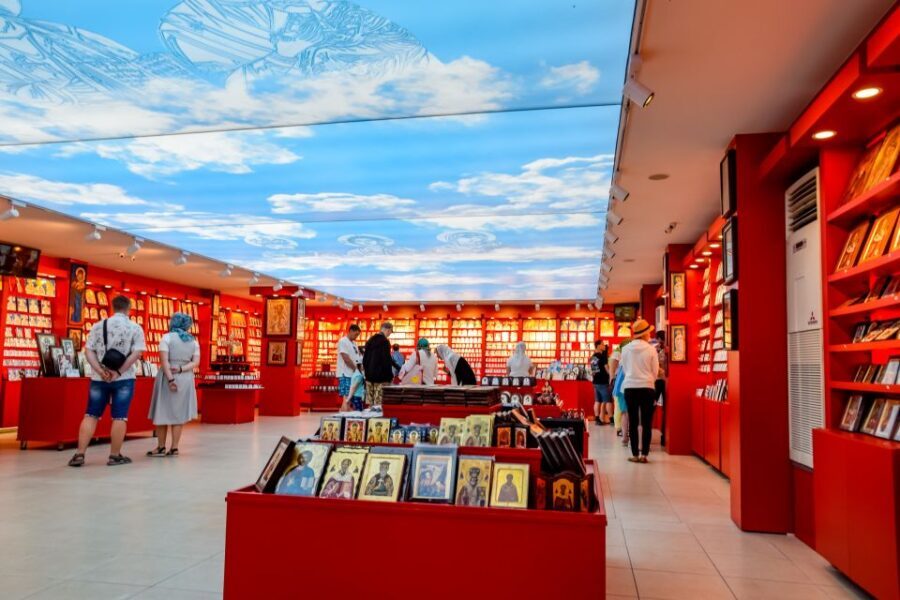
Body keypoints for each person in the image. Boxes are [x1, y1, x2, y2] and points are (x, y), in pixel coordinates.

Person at [68, 296, 146, 467]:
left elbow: (89, 352)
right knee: (120, 416)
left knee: (91, 414)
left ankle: (80, 454)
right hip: (124, 378)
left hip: (99, 378)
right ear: (129, 308)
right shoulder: (135, 328)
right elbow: (137, 353)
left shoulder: (98, 326)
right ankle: (114, 455)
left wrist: (100, 371)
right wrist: (118, 372)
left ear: (112, 307)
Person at [146, 312, 200, 457]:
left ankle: (161, 446)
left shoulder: (167, 337)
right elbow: (195, 362)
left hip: (167, 376)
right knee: (179, 414)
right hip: (186, 378)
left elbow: (164, 362)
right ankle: (174, 447)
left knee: (162, 411)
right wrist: (182, 369)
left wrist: (170, 379)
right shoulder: (193, 341)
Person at [620, 319, 660, 463]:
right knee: (647, 422)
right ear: (645, 334)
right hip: (647, 387)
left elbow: (624, 369)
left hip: (630, 387)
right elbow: (655, 371)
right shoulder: (651, 350)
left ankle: (635, 454)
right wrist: (648, 379)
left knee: (633, 420)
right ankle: (644, 455)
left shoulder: (625, 349)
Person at [362, 322, 394, 406]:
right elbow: (386, 360)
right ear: (388, 330)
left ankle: (369, 418)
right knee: (378, 403)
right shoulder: (385, 342)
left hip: (369, 377)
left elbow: (365, 359)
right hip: (381, 378)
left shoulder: (370, 340)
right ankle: (376, 419)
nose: (389, 334)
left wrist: (366, 373)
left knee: (370, 404)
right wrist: (389, 376)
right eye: (390, 332)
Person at [650, 330, 669, 447]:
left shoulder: (656, 349)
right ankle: (661, 437)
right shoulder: (657, 349)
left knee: (653, 408)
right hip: (662, 381)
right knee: (657, 409)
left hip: (657, 381)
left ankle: (662, 436)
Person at [337, 324, 362, 407]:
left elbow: (357, 357)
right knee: (347, 397)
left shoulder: (354, 343)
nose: (356, 337)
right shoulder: (343, 341)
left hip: (353, 374)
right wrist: (356, 369)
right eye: (356, 334)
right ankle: (344, 415)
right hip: (345, 373)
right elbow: (346, 358)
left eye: (358, 335)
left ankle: (347, 414)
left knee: (351, 397)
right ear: (351, 331)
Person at [590, 340, 612, 425]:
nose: (604, 346)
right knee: (607, 400)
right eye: (602, 344)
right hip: (603, 382)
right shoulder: (602, 357)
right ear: (598, 346)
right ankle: (611, 418)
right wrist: (612, 376)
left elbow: (593, 371)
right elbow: (607, 369)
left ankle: (597, 419)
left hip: (596, 382)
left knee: (597, 400)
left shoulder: (593, 357)